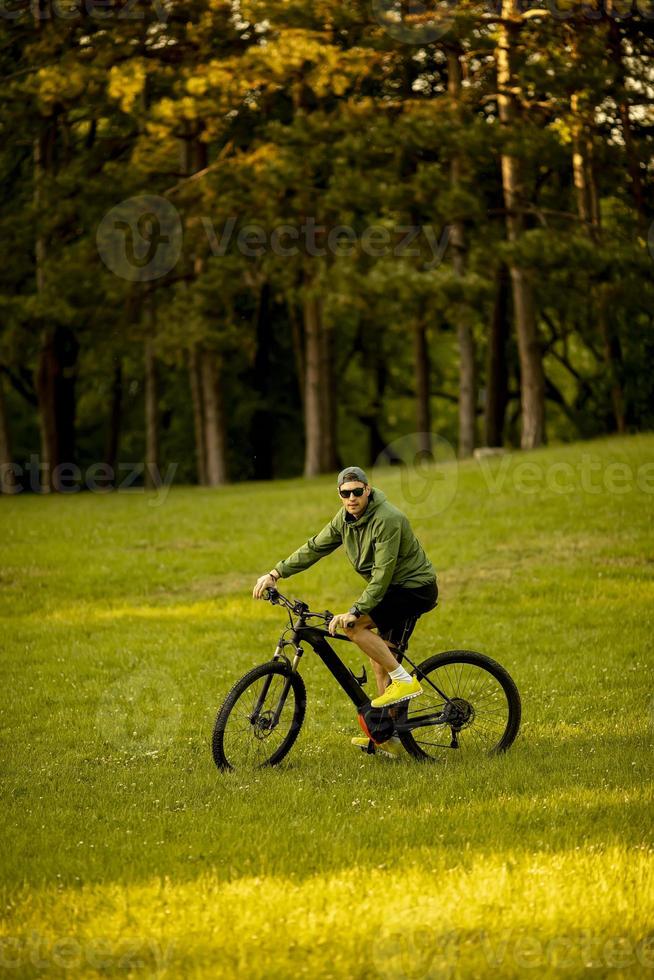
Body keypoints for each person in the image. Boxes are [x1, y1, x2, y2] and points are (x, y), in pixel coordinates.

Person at [253, 466, 438, 757]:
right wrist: (276, 573)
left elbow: (382, 572)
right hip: (389, 589)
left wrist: (355, 611)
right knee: (379, 659)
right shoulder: (345, 519)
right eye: (345, 493)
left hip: (413, 590)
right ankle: (386, 735)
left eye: (356, 492)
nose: (351, 498)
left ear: (367, 490)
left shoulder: (388, 519)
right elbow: (314, 547)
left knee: (355, 628)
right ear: (339, 495)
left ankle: (404, 681)